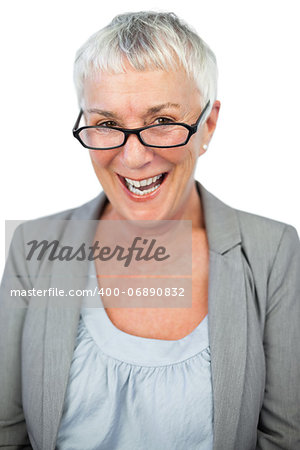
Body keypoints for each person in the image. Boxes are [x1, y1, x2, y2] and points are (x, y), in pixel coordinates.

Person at [0, 11, 299, 450]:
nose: (134, 157)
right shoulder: (34, 249)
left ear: (207, 126)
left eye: (162, 122)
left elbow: (284, 439)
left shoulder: (272, 252)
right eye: (106, 125)